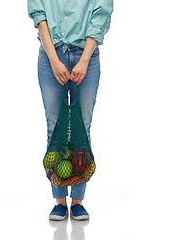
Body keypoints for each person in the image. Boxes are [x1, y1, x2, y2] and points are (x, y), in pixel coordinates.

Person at [27, 0, 113, 221]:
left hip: (87, 57)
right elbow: (39, 14)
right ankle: (58, 201)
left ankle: (77, 201)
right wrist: (54, 61)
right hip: (50, 57)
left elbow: (100, 14)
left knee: (81, 128)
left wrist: (84, 60)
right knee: (54, 128)